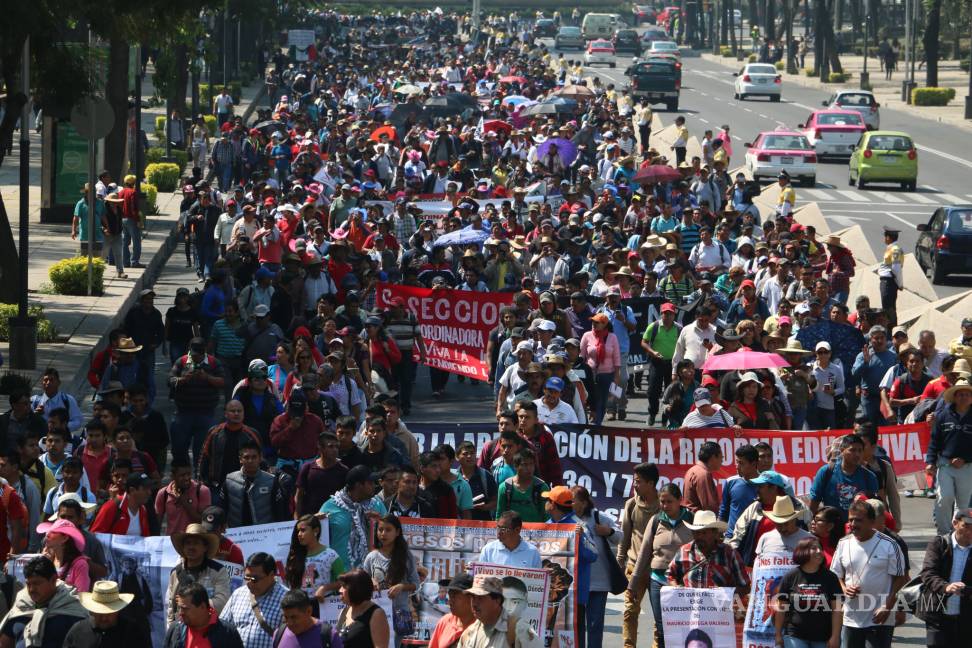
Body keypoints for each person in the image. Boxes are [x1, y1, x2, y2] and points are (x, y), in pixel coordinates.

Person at [830, 500, 906, 648]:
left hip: (879, 618)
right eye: (850, 519)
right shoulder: (843, 543)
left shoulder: (889, 544)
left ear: (872, 522)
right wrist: (844, 589)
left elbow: (900, 578)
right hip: (851, 618)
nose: (853, 524)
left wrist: (887, 606)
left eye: (858, 520)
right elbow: (835, 575)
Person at [628, 483, 693, 648]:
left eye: (669, 501)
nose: (665, 506)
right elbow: (644, 553)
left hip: (684, 583)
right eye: (662, 502)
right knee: (662, 628)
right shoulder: (656, 520)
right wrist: (633, 584)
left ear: (680, 500)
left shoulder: (691, 520)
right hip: (658, 581)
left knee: (684, 627)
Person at [616, 463, 659, 648]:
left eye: (639, 481)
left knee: (660, 616)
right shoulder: (631, 504)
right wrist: (620, 560)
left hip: (657, 570)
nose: (635, 485)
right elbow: (625, 536)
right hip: (634, 568)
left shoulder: (664, 505)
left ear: (651, 483)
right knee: (630, 612)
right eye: (635, 481)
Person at [0, 556, 87, 647]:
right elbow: (5, 643)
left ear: (53, 580)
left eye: (37, 583)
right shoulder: (22, 607)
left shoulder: (72, 613)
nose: (31, 589)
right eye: (28, 584)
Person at [773, 537, 843, 648]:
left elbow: (837, 610)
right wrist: (778, 635)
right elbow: (781, 609)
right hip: (794, 636)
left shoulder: (831, 578)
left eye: (820, 548)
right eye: (814, 548)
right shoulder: (790, 577)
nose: (819, 551)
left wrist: (835, 636)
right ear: (802, 551)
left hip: (823, 637)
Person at [572, 485, 619, 648]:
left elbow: (620, 537)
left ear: (584, 503)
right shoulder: (568, 519)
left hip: (599, 582)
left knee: (595, 624)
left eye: (573, 500)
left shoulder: (599, 517)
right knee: (577, 624)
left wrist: (608, 531)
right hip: (577, 582)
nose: (570, 504)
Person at [918, 507, 972, 646]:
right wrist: (946, 587)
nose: (970, 531)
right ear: (955, 523)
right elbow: (928, 573)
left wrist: (967, 590)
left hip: (966, 619)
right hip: (937, 615)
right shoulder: (939, 543)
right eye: (966, 526)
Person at [926, 378, 972, 534]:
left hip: (967, 466)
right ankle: (944, 534)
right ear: (955, 397)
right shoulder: (943, 415)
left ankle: (959, 535)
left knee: (963, 505)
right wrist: (930, 461)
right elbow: (934, 440)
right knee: (944, 497)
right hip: (945, 464)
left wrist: (965, 459)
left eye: (967, 394)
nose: (964, 397)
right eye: (961, 394)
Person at [363, 515, 420, 639]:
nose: (383, 534)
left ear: (397, 532)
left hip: (400, 614)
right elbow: (362, 581)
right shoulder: (371, 557)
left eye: (388, 530)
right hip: (376, 612)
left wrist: (401, 586)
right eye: (380, 529)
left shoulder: (406, 556)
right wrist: (370, 581)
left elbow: (416, 584)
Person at [319, 465, 387, 569]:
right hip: (339, 573)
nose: (374, 485)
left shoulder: (377, 504)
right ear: (358, 485)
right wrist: (314, 521)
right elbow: (319, 540)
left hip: (371, 572)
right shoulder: (330, 507)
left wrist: (380, 522)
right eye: (370, 483)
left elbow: (391, 534)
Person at [165, 523, 231, 624]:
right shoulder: (175, 572)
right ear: (183, 547)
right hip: (180, 628)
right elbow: (171, 606)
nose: (191, 547)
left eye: (196, 543)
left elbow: (221, 603)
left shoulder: (218, 571)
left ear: (205, 547)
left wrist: (189, 602)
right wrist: (171, 629)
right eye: (188, 543)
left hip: (207, 628)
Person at [220, 552, 289, 648]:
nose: (250, 583)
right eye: (247, 577)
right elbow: (222, 628)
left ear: (271, 575)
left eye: (254, 579)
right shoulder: (238, 594)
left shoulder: (286, 599)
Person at [457, 575, 543, 648]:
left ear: (497, 600)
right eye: (473, 597)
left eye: (480, 598)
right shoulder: (469, 633)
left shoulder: (519, 630)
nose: (474, 603)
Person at [808, 434, 878, 519]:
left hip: (858, 526)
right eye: (852, 450)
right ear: (842, 450)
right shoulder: (826, 472)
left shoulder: (869, 477)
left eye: (860, 451)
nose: (857, 454)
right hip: (832, 526)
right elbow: (813, 503)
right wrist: (810, 523)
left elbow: (874, 509)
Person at [63, 580, 152, 646]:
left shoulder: (133, 632)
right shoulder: (78, 631)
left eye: (109, 613)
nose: (104, 618)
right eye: (100, 613)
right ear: (92, 611)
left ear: (117, 611)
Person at [285, 514, 344, 608]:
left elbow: (343, 581)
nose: (299, 534)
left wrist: (324, 588)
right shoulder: (296, 555)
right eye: (298, 531)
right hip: (300, 606)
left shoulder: (330, 555)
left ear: (316, 531)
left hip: (324, 605)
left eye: (303, 530)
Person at [163, 582, 243, 648]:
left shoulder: (227, 633)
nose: (181, 613)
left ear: (202, 607)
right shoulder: (175, 629)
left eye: (185, 608)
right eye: (180, 608)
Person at [580, 312, 622, 425]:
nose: (593, 324)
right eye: (593, 322)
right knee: (589, 399)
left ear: (604, 324)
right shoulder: (587, 335)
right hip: (590, 374)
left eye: (597, 322)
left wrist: (617, 376)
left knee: (602, 401)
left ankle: (597, 424)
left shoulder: (612, 337)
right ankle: (588, 421)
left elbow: (617, 357)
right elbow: (581, 355)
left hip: (607, 374)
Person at [335, 568, 391, 648]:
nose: (340, 590)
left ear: (355, 589)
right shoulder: (344, 612)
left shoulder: (376, 614)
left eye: (344, 586)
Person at [155, 457, 211, 534]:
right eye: (182, 475)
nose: (187, 478)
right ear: (172, 476)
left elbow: (205, 522)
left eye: (189, 474)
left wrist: (186, 504)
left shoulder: (202, 491)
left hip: (196, 539)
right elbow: (156, 523)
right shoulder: (163, 493)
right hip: (172, 540)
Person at [273, 588, 342, 648]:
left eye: (294, 617)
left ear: (309, 611)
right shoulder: (278, 634)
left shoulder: (329, 636)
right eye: (286, 617)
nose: (289, 623)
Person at [495, 448, 549, 523]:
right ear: (515, 466)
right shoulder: (505, 487)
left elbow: (547, 518)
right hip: (511, 530)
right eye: (525, 464)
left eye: (531, 464)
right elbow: (499, 517)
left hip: (536, 530)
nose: (529, 468)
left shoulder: (542, 487)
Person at [36, 517, 90, 592]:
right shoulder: (48, 557)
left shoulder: (80, 565)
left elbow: (81, 594)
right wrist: (43, 564)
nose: (47, 534)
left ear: (65, 538)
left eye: (53, 532)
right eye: (48, 531)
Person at [478, 510, 543, 568]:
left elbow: (538, 577)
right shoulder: (488, 550)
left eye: (503, 529)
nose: (499, 532)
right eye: (498, 528)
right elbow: (480, 575)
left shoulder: (532, 552)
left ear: (517, 530)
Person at [428, 573, 476, 648]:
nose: (450, 601)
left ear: (471, 598)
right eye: (450, 596)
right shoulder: (445, 621)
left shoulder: (481, 627)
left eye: (455, 596)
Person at [682, 440, 722, 513]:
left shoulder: (693, 470)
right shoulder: (703, 474)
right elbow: (709, 507)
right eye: (721, 457)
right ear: (713, 457)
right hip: (700, 518)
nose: (722, 461)